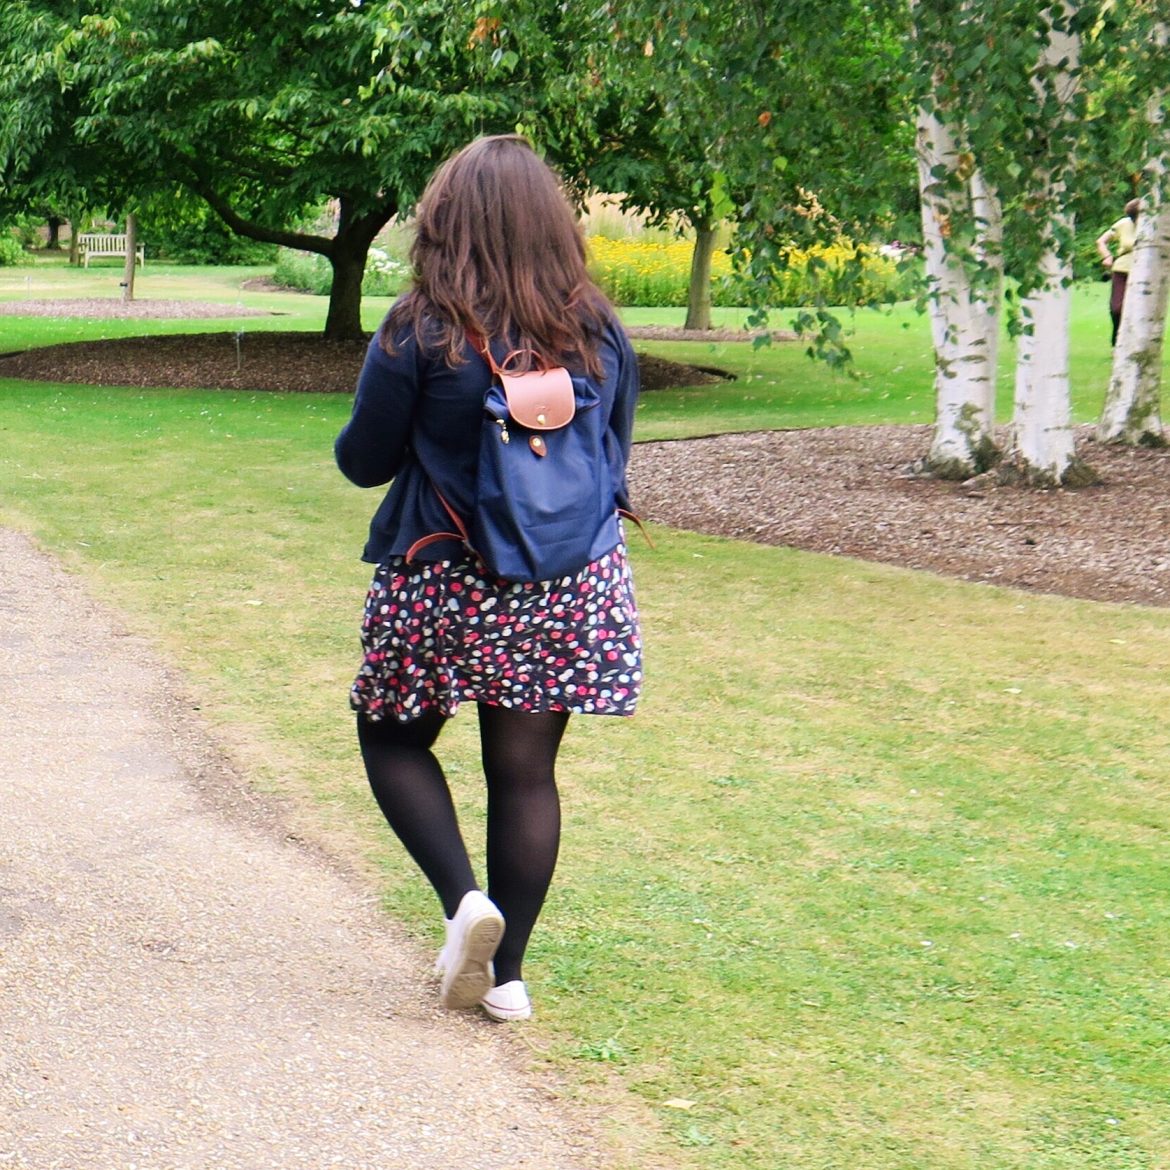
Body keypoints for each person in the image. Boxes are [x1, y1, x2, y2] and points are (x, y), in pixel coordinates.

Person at [334, 135, 643, 1023]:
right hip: (568, 584)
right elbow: (613, 455)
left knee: (393, 738)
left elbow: (363, 462)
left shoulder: (420, 328)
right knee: (525, 774)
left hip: (445, 577)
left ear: (446, 220)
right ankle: (507, 980)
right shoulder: (597, 328)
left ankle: (463, 901)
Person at [1097, 198, 1141, 346]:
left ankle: (1135, 342)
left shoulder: (1155, 225)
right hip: (1122, 269)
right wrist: (1107, 256)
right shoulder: (1123, 224)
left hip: (1144, 272)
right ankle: (1117, 339)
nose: (1135, 221)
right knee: (1117, 308)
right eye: (1133, 218)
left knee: (1140, 309)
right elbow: (1101, 241)